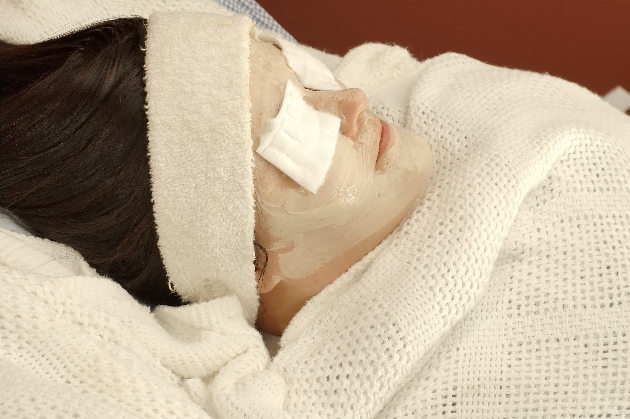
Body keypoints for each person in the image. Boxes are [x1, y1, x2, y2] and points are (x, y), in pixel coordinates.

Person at [1, 1, 629, 418]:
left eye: (309, 84)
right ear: (253, 265)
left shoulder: (440, 105)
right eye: (298, 126)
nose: (354, 99)